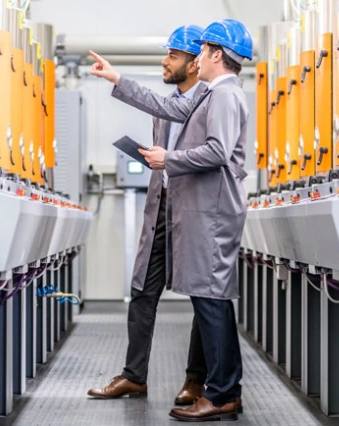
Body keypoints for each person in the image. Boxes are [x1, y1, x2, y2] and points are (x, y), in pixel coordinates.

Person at [89, 19, 252, 422]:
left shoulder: (226, 97)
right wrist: (117, 78)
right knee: (208, 298)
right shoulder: (209, 95)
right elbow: (165, 106)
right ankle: (219, 390)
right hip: (200, 211)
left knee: (212, 301)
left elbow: (217, 151)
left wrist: (170, 160)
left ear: (215, 55)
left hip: (211, 213)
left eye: (201, 51)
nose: (196, 57)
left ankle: (222, 392)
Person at [87, 25, 211, 406]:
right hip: (160, 207)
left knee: (201, 298)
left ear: (194, 64)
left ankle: (195, 381)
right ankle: (133, 375)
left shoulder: (209, 101)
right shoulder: (171, 103)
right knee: (142, 290)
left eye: (173, 55)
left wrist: (117, 78)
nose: (165, 60)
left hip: (193, 212)